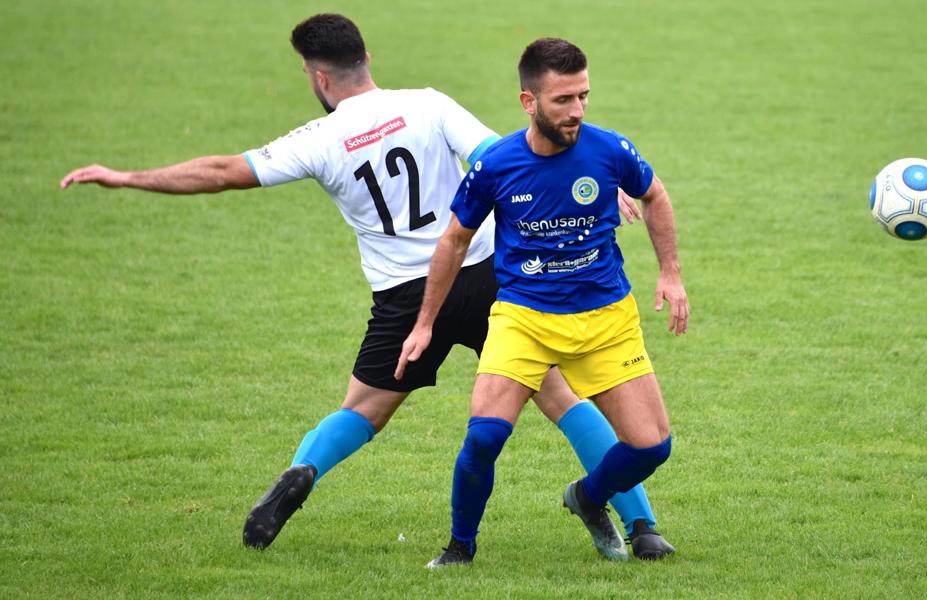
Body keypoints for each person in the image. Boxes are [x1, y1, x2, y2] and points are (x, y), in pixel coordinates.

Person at [60, 14, 675, 559]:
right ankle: (641, 522)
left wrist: (126, 177)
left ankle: (305, 467)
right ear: (366, 62)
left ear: (318, 77)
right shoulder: (429, 104)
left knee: (364, 409)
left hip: (409, 298)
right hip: (491, 275)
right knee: (563, 399)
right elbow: (504, 155)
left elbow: (223, 172)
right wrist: (593, 178)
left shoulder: (318, 139)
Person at [397, 37, 689, 567]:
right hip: (524, 319)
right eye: (563, 100)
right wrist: (424, 323)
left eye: (583, 96)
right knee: (484, 435)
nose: (576, 110)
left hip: (606, 319)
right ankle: (460, 547)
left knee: (651, 447)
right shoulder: (497, 166)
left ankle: (587, 497)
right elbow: (454, 242)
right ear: (529, 102)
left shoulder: (610, 150)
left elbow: (656, 195)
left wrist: (670, 273)